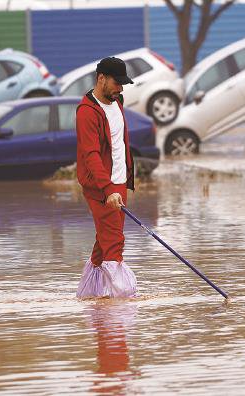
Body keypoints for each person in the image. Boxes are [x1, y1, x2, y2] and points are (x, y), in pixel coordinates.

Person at [75, 57, 136, 298]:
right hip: (102, 187)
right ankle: (119, 310)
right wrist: (108, 188)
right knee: (114, 242)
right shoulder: (86, 113)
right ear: (101, 79)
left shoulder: (117, 101)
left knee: (103, 242)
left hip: (118, 183)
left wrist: (121, 184)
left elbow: (119, 144)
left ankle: (92, 297)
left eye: (123, 84)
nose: (120, 89)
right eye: (116, 83)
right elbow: (90, 155)